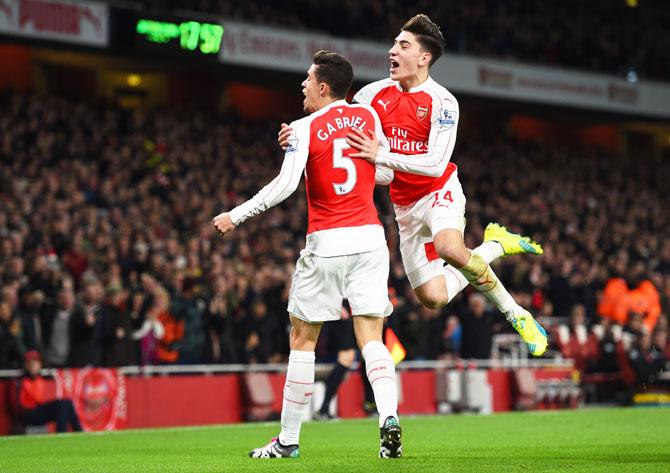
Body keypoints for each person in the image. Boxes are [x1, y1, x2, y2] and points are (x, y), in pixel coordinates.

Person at [280, 14, 547, 357]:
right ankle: (494, 246)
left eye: (403, 45)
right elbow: (334, 121)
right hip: (404, 206)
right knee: (433, 298)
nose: (392, 51)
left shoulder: (444, 102)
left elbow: (435, 163)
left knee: (450, 248)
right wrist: (298, 134)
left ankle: (517, 314)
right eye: (394, 43)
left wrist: (382, 155)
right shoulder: (372, 95)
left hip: (439, 191)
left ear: (424, 58)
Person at [213, 50, 402, 458]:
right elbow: (385, 172)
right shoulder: (368, 117)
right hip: (371, 240)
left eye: (307, 79)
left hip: (328, 242)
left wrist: (237, 215)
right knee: (372, 336)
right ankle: (389, 417)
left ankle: (288, 441)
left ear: (323, 86)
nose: (301, 85)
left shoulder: (302, 128)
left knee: (303, 339)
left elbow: (285, 185)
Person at [16, 350, 83, 433]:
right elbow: (23, 404)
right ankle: (63, 433)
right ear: (25, 365)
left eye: (35, 363)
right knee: (61, 404)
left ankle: (78, 431)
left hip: (39, 409)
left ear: (40, 365)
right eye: (30, 364)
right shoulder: (22, 381)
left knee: (67, 402)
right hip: (28, 413)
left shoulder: (39, 379)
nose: (33, 366)